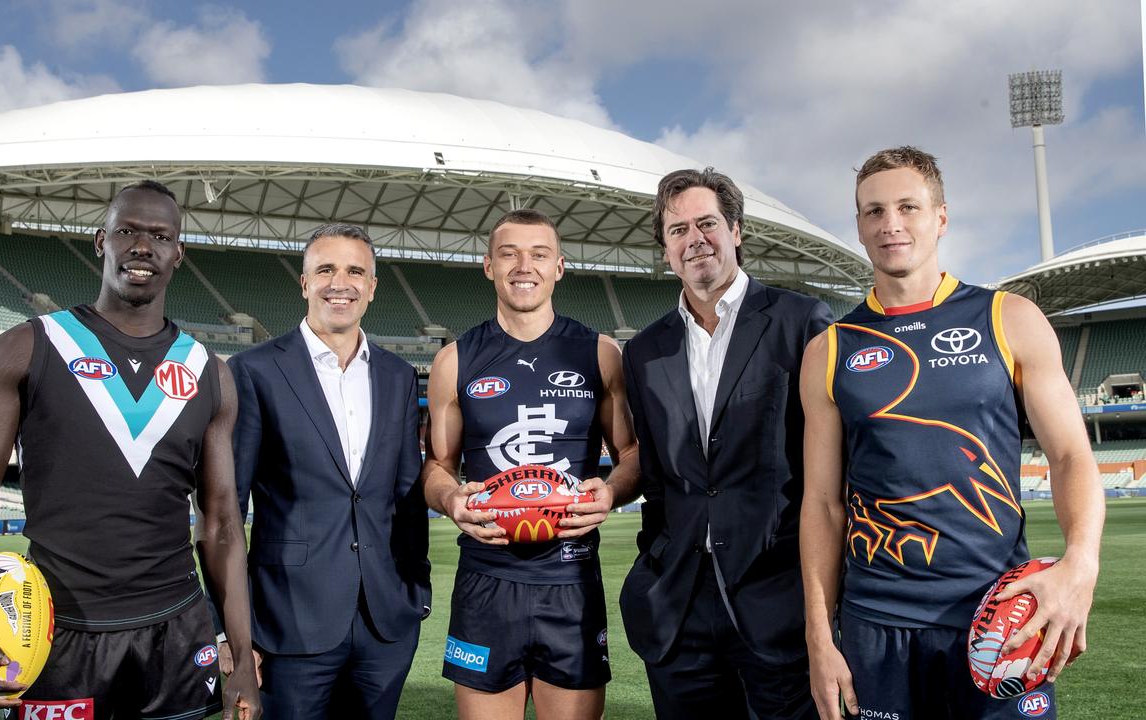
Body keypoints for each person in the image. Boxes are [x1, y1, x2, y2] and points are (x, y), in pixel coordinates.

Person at [0, 180, 261, 719]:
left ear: (179, 252)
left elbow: (221, 522)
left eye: (160, 235)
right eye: (127, 230)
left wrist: (241, 656)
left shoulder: (210, 373)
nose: (142, 246)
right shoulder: (26, 347)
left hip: (177, 631)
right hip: (58, 630)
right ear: (100, 241)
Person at [800, 146, 1104, 720]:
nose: (891, 224)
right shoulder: (829, 349)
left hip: (999, 614)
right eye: (873, 212)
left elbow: (1068, 456)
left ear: (940, 217)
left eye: (908, 207)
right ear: (860, 228)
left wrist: (1080, 564)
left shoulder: (1009, 318)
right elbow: (822, 504)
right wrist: (819, 635)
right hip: (877, 626)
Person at [620, 168, 832, 718]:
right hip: (680, 607)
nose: (695, 239)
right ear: (665, 248)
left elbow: (831, 472)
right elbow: (659, 480)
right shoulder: (645, 351)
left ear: (736, 230)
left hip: (777, 598)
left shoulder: (800, 320)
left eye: (707, 223)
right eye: (677, 230)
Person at [422, 208, 639, 720]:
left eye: (539, 254)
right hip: (486, 579)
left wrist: (610, 492)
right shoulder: (454, 360)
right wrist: (451, 498)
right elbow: (437, 465)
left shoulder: (600, 353)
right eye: (509, 253)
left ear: (559, 267)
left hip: (570, 582)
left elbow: (631, 457)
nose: (525, 265)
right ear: (488, 266)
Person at [223, 223, 430, 720]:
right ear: (304, 283)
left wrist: (415, 591)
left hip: (386, 624)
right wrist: (230, 630)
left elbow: (407, 493)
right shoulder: (254, 371)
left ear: (373, 286)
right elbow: (225, 508)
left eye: (356, 270)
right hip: (289, 621)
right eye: (326, 270)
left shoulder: (397, 374)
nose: (341, 283)